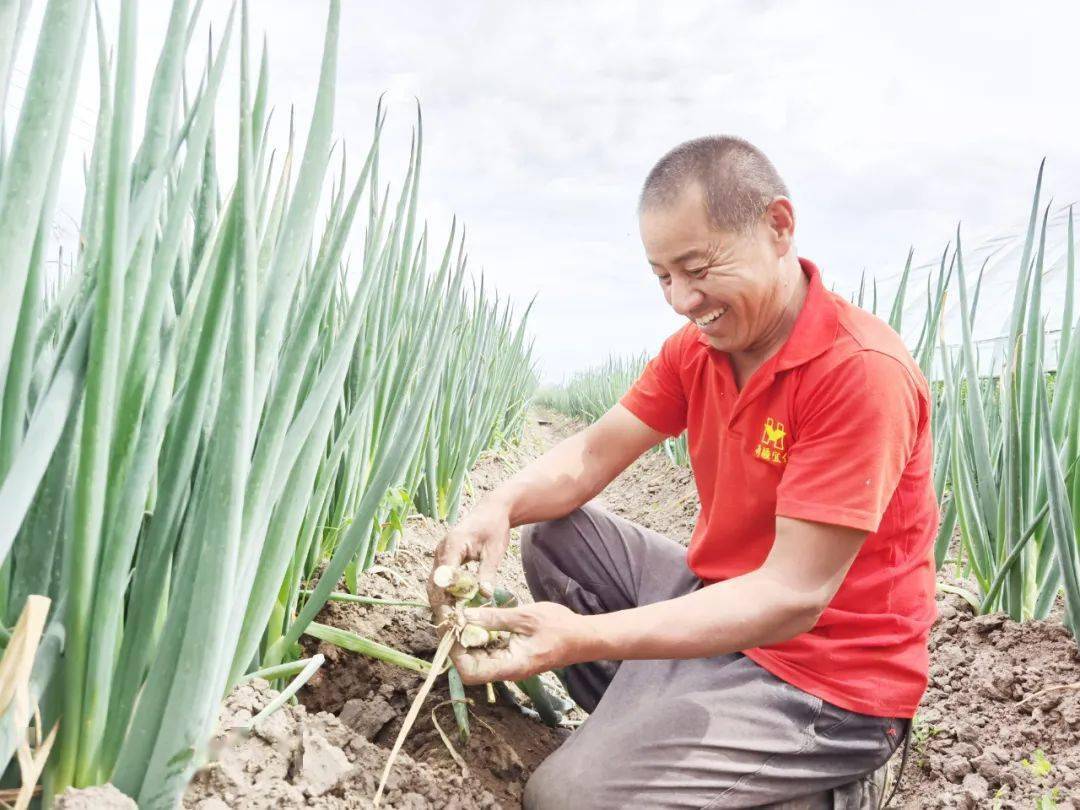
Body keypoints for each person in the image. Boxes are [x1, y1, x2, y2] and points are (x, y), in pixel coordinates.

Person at [428, 136, 937, 809]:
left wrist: (577, 639)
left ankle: (814, 785)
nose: (681, 300)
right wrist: (499, 502)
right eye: (662, 276)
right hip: (723, 601)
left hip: (824, 678)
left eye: (697, 268)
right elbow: (588, 455)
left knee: (567, 799)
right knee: (554, 536)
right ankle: (669, 744)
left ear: (778, 226)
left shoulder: (859, 371)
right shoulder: (697, 353)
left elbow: (791, 597)